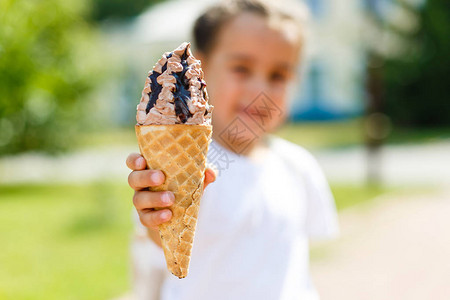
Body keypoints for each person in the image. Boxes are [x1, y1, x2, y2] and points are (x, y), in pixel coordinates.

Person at [126, 0, 339, 299]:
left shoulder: (298, 166)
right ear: (199, 72)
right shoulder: (198, 169)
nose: (259, 90)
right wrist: (156, 209)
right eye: (241, 69)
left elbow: (296, 265)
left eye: (278, 76)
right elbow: (159, 239)